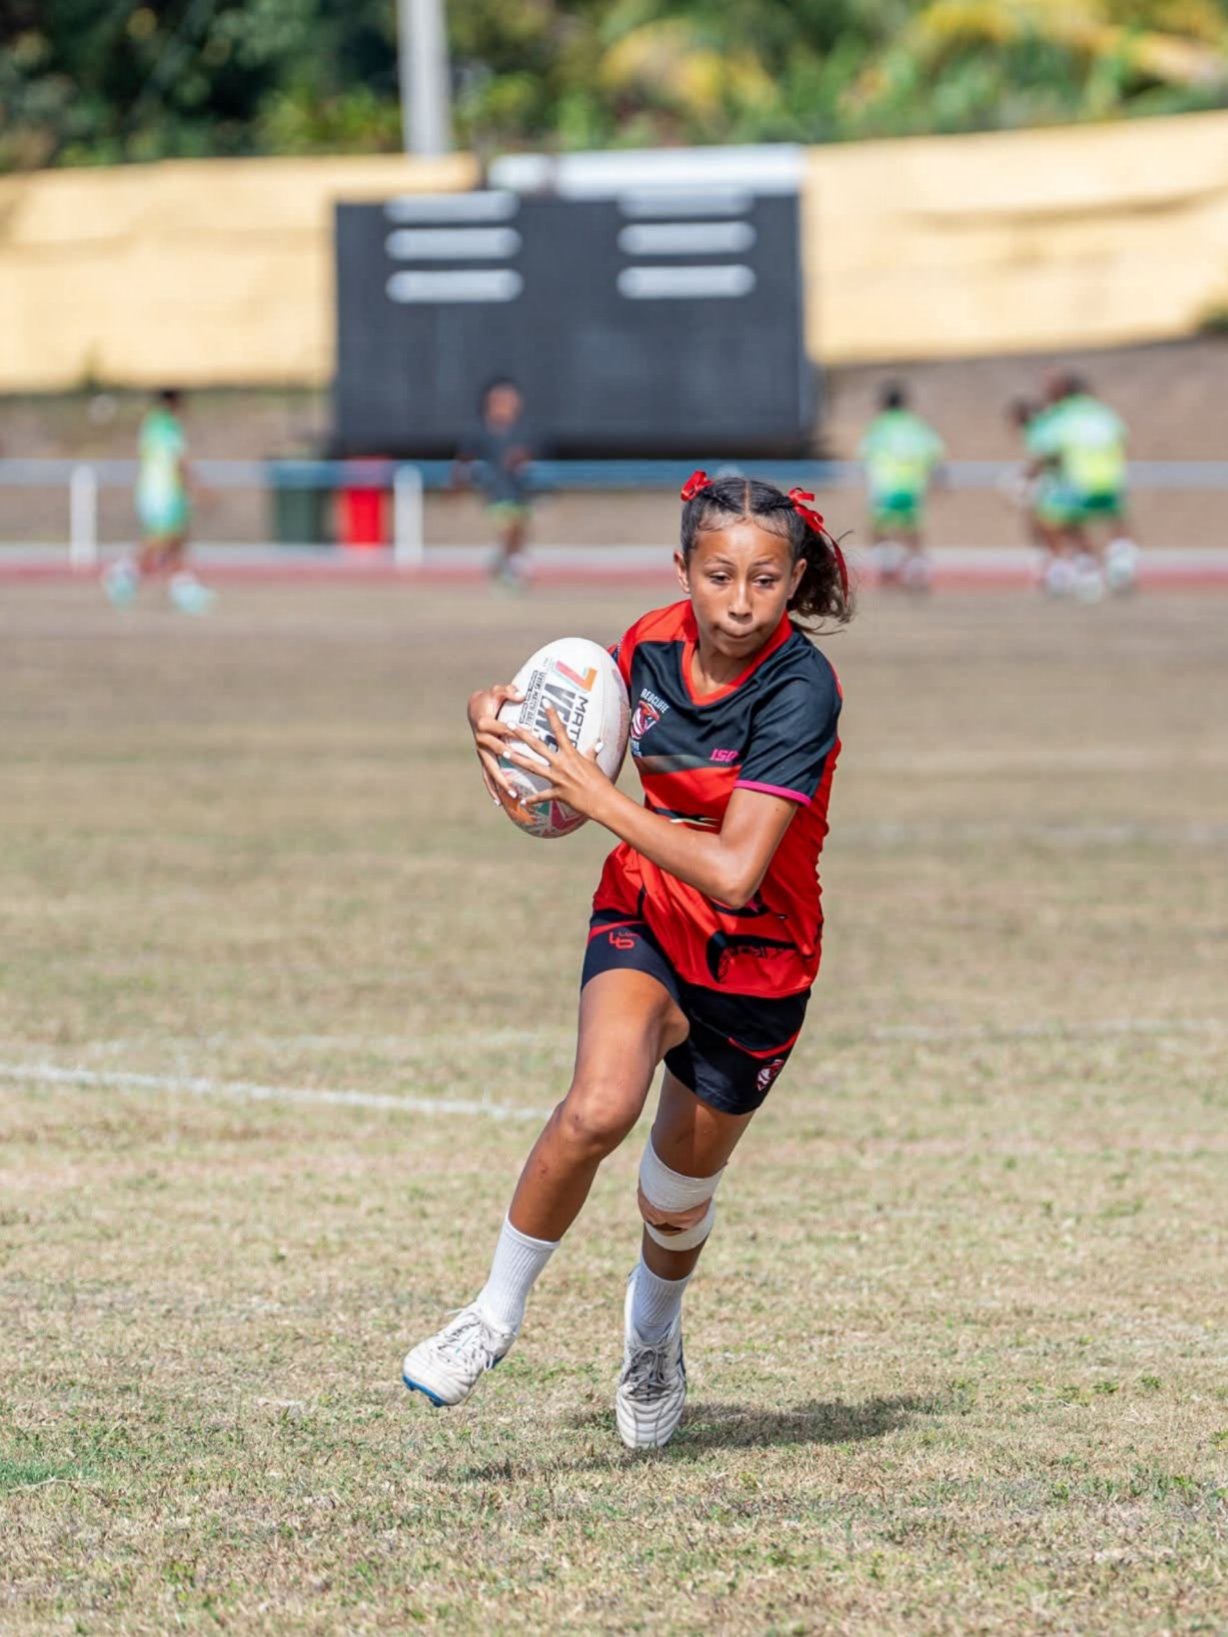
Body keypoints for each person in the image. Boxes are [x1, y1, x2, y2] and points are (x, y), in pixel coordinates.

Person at [402, 471, 853, 1450]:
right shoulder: (644, 644)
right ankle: (490, 1314)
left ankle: (651, 1335)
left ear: (793, 579)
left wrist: (599, 799)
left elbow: (737, 870)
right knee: (597, 1105)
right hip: (645, 911)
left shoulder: (799, 688)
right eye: (719, 574)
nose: (739, 601)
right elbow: (572, 726)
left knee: (674, 1193)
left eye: (766, 580)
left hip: (756, 959)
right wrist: (498, 723)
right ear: (683, 568)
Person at [1025, 373, 1139, 599]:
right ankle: (1121, 564)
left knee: (1053, 520)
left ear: (1062, 392)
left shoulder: (1059, 417)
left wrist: (1030, 476)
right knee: (1116, 521)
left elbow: (1047, 451)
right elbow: (1122, 441)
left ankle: (1082, 571)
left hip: (1077, 481)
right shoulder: (1104, 413)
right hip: (1111, 482)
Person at [103, 389, 215, 614]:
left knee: (175, 541)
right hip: (166, 491)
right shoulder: (168, 426)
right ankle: (122, 574)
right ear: (172, 403)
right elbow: (178, 460)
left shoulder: (150, 425)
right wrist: (197, 487)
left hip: (151, 490)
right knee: (162, 540)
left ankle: (184, 590)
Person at [858, 383, 945, 591]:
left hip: (886, 486)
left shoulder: (879, 426)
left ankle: (887, 572)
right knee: (911, 531)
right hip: (912, 486)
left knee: (879, 529)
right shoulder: (917, 425)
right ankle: (916, 571)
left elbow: (866, 454)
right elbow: (935, 453)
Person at [454, 378, 536, 589]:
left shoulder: (521, 431)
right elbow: (464, 459)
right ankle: (509, 572)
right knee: (508, 529)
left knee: (518, 533)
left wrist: (521, 458)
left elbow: (529, 456)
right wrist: (460, 482)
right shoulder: (480, 431)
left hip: (518, 491)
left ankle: (502, 565)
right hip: (495, 492)